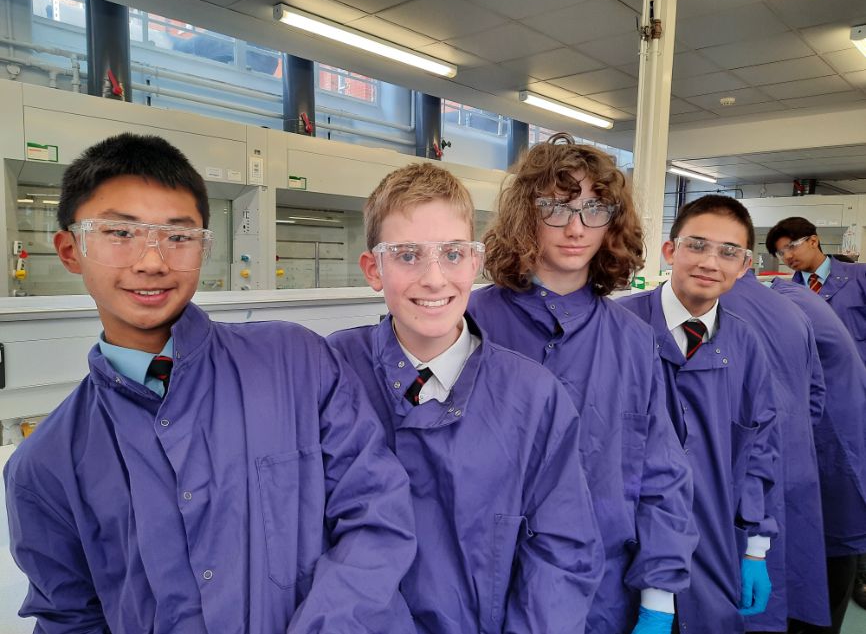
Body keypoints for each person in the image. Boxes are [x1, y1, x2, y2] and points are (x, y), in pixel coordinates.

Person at [3, 133, 418, 633]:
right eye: (120, 232)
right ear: (71, 249)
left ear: (203, 246)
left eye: (178, 236)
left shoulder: (296, 363)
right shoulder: (46, 466)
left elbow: (377, 513)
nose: (152, 261)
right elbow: (70, 619)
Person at [327, 162, 605, 633]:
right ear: (374, 269)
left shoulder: (534, 396)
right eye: (408, 254)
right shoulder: (330, 373)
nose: (435, 278)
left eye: (453, 253)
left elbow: (562, 550)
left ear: (475, 262)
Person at [469, 134, 697, 634]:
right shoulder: (469, 324)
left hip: (601, 591)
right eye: (557, 206)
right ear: (526, 214)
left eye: (595, 208)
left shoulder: (634, 341)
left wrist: (659, 596)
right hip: (481, 586)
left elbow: (661, 471)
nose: (576, 227)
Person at [619, 195, 779, 634]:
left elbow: (760, 449)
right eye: (697, 245)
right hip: (621, 544)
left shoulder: (746, 345)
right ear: (670, 251)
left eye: (729, 252)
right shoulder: (617, 329)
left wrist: (756, 549)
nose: (711, 262)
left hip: (711, 546)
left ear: (745, 267)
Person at [723, 268, 830, 633]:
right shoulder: (794, 308)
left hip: (744, 470)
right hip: (795, 459)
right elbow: (816, 394)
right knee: (784, 582)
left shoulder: (712, 308)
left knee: (742, 591)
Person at [771, 278, 866, 634]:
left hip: (833, 436)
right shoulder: (790, 295)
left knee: (833, 539)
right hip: (837, 425)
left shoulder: (775, 308)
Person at [766, 216, 866, 366]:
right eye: (781, 253)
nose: (787, 256)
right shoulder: (786, 297)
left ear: (813, 241)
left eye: (792, 246)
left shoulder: (860, 276)